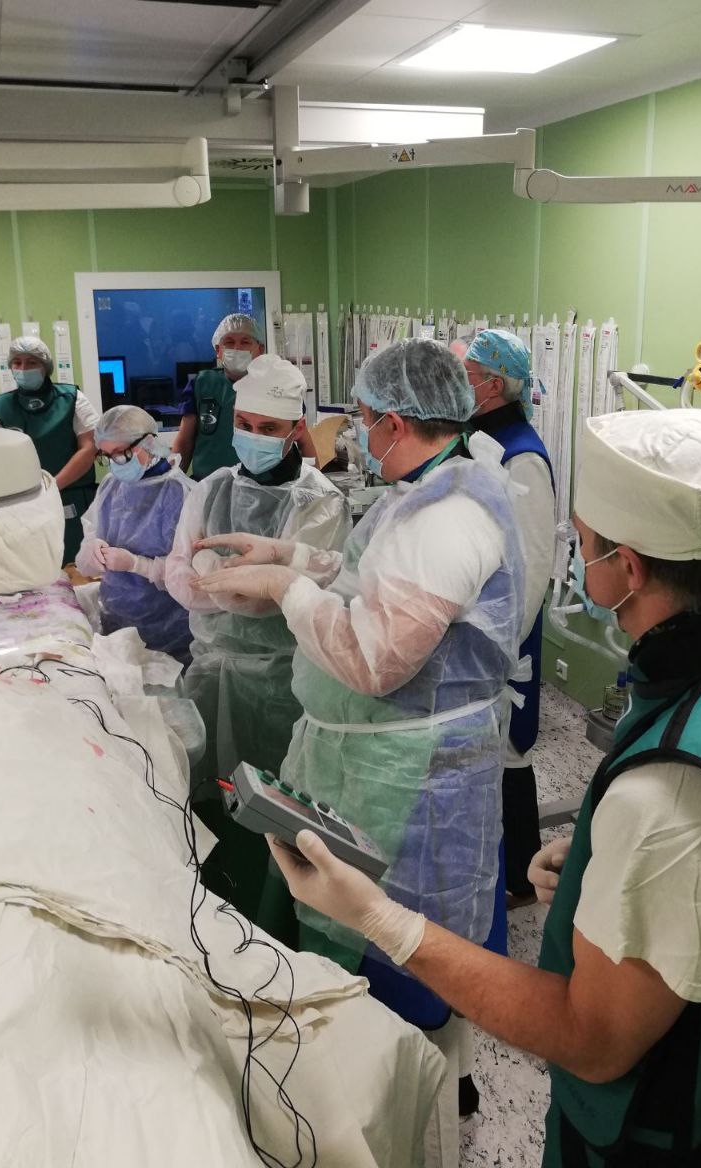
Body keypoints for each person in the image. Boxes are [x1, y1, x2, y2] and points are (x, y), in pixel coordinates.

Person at [266, 407, 701, 1168]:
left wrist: (377, 916)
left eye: (583, 545)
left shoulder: (673, 792)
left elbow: (591, 1040)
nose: (574, 560)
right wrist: (610, 862)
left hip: (650, 1134)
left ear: (627, 569)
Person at [190, 340, 525, 1041]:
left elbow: (375, 660)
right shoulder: (428, 488)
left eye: (363, 420)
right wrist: (290, 555)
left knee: (400, 956)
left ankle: (405, 1066)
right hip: (374, 757)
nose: (356, 436)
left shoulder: (448, 518)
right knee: (354, 932)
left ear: (394, 424)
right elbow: (371, 575)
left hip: (410, 777)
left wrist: (284, 587)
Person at [164, 354, 350, 920]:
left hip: (279, 683)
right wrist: (226, 584)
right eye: (244, 424)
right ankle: (216, 906)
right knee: (209, 796)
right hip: (210, 670)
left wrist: (221, 580)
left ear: (296, 428)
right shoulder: (212, 488)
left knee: (273, 809)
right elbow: (178, 573)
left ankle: (270, 919)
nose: (252, 437)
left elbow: (285, 593)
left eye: (268, 428)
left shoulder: (319, 500)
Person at [458, 329, 555, 906]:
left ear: (493, 385)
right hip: (477, 620)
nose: (460, 382)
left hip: (505, 635)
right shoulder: (482, 436)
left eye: (467, 374)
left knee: (510, 751)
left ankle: (521, 874)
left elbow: (534, 564)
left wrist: (499, 643)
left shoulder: (522, 455)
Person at [75, 405, 194, 662]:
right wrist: (93, 550)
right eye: (106, 455)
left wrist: (136, 564)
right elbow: (85, 554)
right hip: (115, 622)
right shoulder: (111, 486)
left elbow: (191, 577)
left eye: (121, 453)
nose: (114, 463)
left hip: (169, 633)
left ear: (149, 443)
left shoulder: (181, 495)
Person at [0, 336, 98, 565]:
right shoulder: (1, 407)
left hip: (71, 497)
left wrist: (53, 487)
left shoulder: (72, 399)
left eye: (32, 362)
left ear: (46, 366)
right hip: (23, 500)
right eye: (17, 362)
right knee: (33, 563)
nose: (23, 369)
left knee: (76, 564)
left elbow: (89, 448)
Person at [171, 314, 264, 478]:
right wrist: (173, 481)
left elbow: (300, 438)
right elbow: (185, 441)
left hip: (260, 487)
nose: (237, 348)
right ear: (218, 350)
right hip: (206, 484)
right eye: (229, 342)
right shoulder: (201, 384)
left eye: (245, 342)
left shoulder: (275, 386)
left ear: (260, 350)